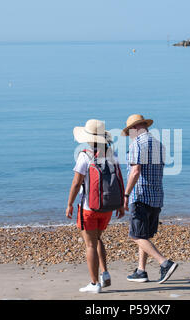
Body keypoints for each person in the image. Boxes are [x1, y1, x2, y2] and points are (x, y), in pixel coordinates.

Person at [66, 119, 125, 293]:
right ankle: (105, 273)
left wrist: (69, 204)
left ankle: (94, 284)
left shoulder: (85, 155)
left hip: (89, 208)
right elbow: (119, 180)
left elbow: (77, 183)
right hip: (107, 207)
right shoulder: (112, 155)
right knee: (98, 239)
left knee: (90, 244)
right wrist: (120, 205)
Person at [122, 114, 178, 284]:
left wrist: (126, 194)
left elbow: (136, 171)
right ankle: (141, 271)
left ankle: (165, 263)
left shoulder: (137, 143)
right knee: (144, 234)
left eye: (129, 131)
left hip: (140, 195)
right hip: (156, 195)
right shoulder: (159, 145)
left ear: (135, 128)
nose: (129, 135)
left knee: (136, 235)